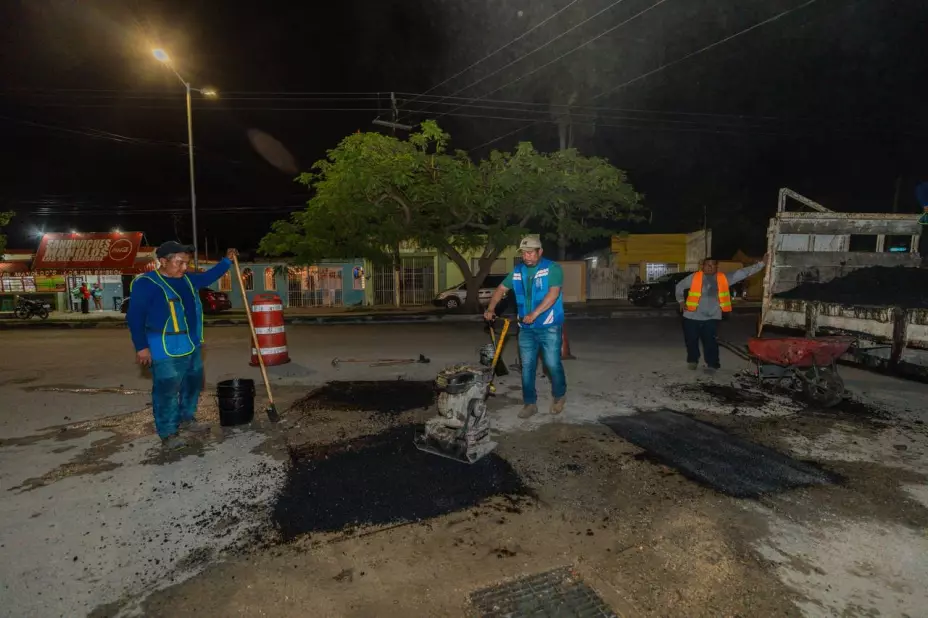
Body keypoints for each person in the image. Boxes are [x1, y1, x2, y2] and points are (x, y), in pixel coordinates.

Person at [127, 242, 236, 450]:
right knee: (167, 389)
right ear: (163, 261)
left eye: (186, 263)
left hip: (191, 343)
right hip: (162, 344)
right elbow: (134, 317)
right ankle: (168, 433)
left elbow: (207, 277)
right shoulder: (146, 283)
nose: (184, 268)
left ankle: (188, 418)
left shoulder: (187, 280)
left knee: (192, 383)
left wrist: (226, 261)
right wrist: (141, 347)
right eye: (179, 263)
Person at [484, 236, 566, 419]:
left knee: (552, 364)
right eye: (524, 253)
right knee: (527, 366)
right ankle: (530, 403)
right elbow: (500, 290)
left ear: (540, 252)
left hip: (549, 326)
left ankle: (559, 396)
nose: (527, 257)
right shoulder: (517, 271)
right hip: (526, 329)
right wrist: (491, 308)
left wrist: (534, 314)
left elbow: (553, 295)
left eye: (530, 253)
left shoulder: (553, 269)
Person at [675, 256, 767, 373]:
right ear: (702, 266)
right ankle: (693, 360)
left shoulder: (724, 278)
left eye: (713, 265)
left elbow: (743, 272)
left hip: (711, 317)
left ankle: (712, 364)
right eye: (707, 264)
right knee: (691, 341)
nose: (710, 267)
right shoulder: (694, 277)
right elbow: (679, 286)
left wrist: (762, 264)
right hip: (691, 316)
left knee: (711, 342)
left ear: (716, 267)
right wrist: (681, 301)